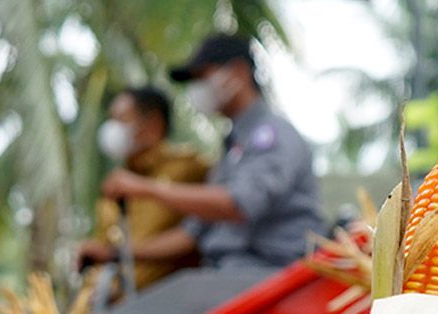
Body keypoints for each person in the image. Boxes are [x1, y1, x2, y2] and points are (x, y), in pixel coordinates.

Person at [80, 33, 322, 271]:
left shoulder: (271, 135)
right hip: (225, 274)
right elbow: (190, 234)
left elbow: (239, 204)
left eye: (203, 77)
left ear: (238, 73)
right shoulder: (233, 148)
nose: (197, 89)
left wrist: (146, 188)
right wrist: (114, 254)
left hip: (268, 275)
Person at [78, 86, 208, 292]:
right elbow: (105, 246)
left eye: (121, 119)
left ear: (153, 123)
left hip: (170, 303)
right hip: (114, 308)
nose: (113, 128)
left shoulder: (190, 169)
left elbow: (194, 236)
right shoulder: (114, 187)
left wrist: (114, 253)